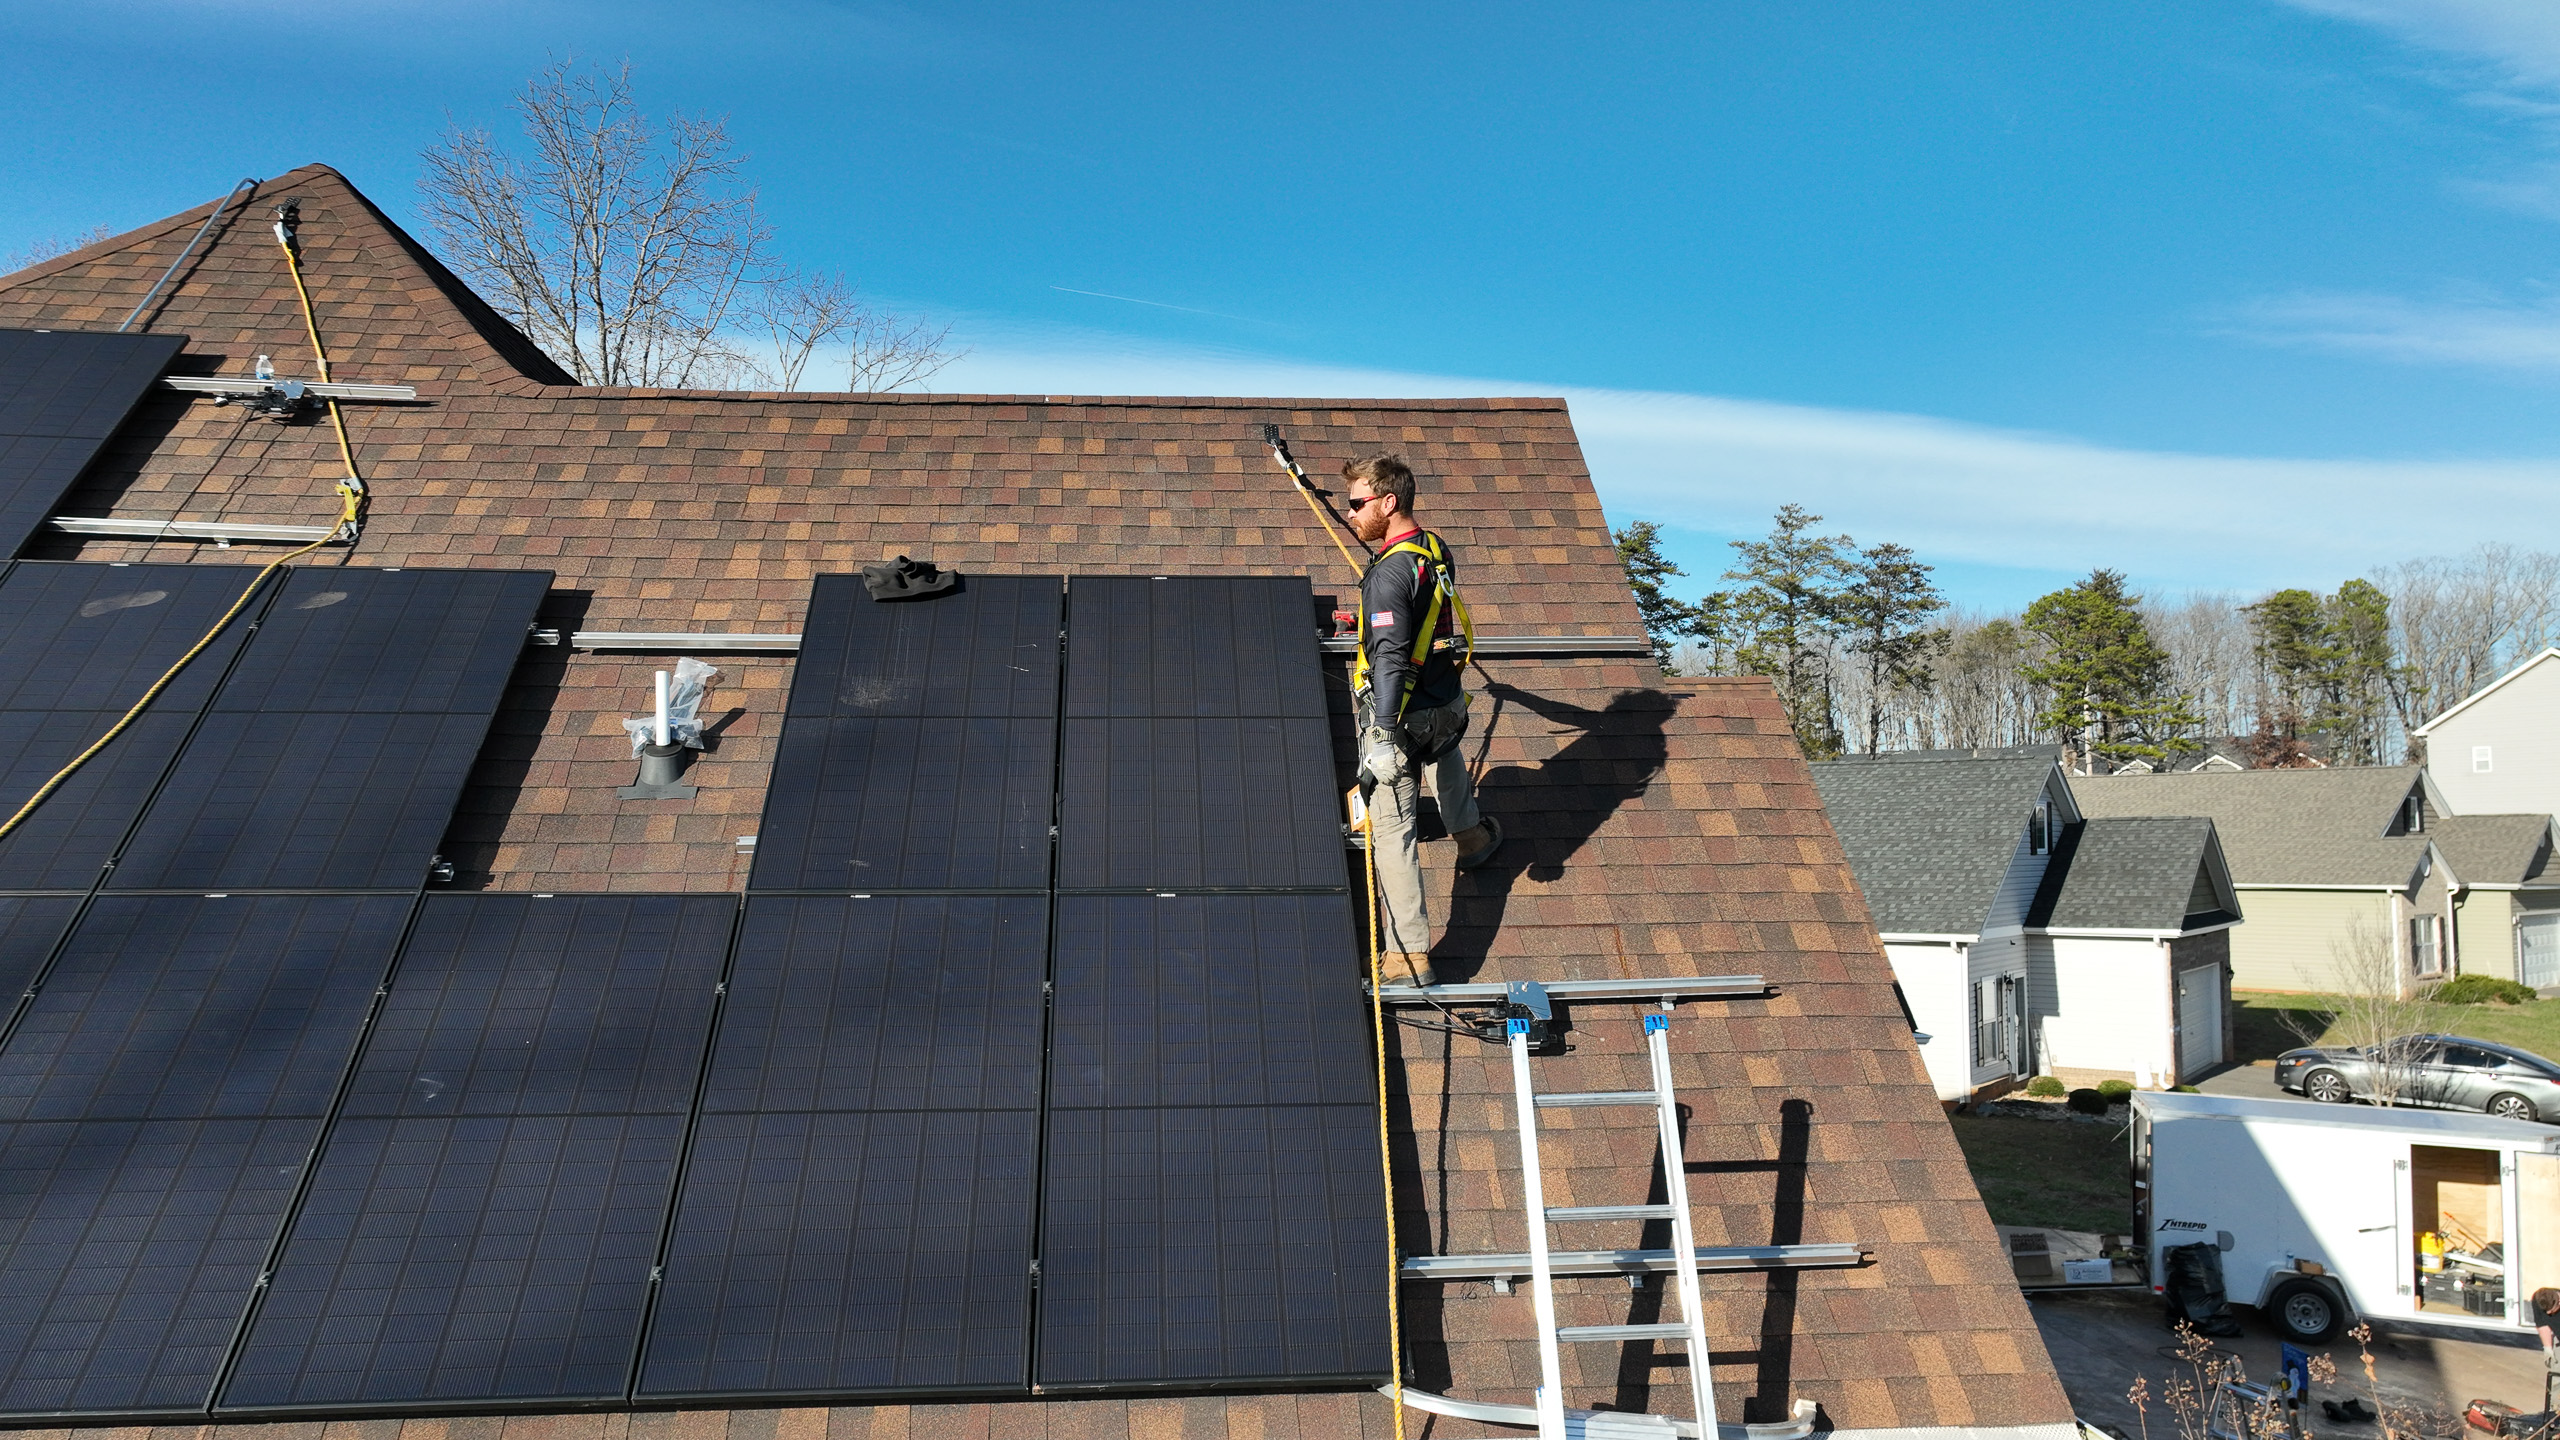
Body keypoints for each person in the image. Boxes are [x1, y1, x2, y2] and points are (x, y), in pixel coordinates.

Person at [1343, 452, 1501, 987]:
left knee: (1392, 832)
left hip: (1402, 719)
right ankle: (1474, 838)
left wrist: (1382, 733)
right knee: (1445, 752)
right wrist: (1365, 616)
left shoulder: (1388, 573)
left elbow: (1388, 657)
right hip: (1445, 708)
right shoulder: (1431, 548)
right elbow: (1412, 618)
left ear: (1389, 503)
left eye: (1357, 504)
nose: (1349, 515)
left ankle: (1408, 958)